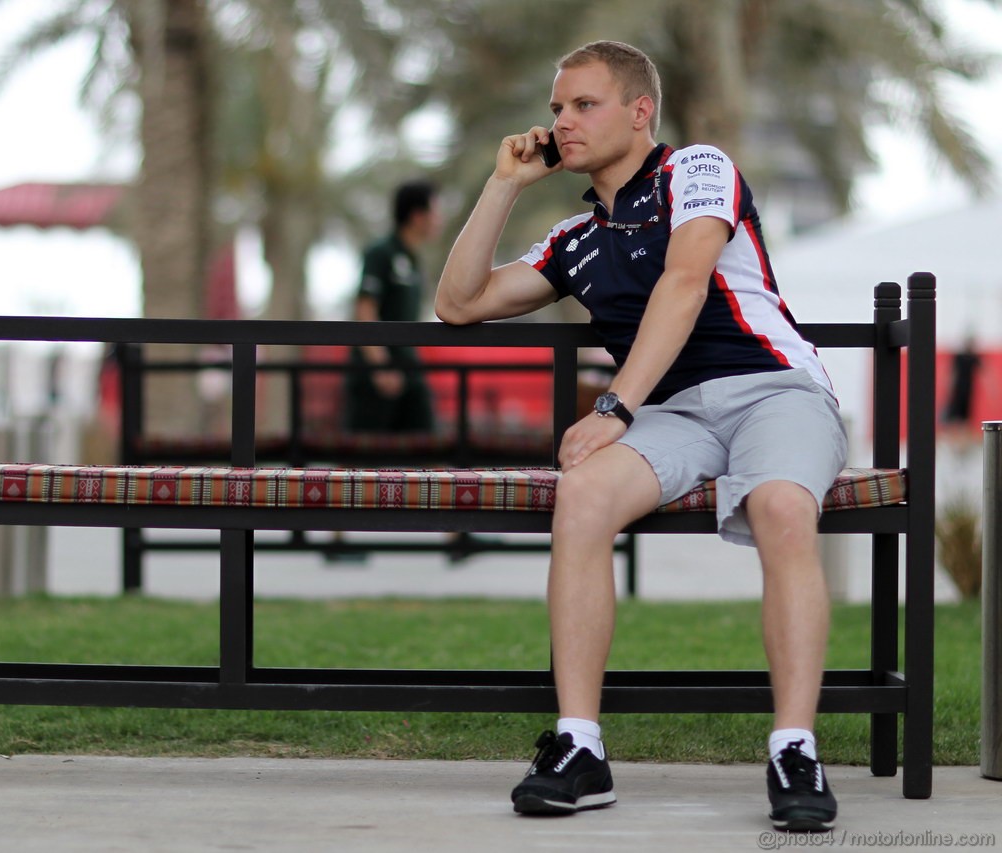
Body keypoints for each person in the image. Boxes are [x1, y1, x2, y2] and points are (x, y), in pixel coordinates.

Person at [434, 41, 846, 832]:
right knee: (582, 495)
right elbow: (460, 303)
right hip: (675, 412)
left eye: (583, 105)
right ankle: (580, 746)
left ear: (639, 110)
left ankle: (794, 748)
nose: (563, 121)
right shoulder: (574, 238)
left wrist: (615, 407)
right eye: (558, 109)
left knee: (782, 509)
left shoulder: (694, 168)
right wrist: (503, 183)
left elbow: (686, 280)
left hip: (773, 391)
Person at [344, 180, 442, 433]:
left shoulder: (414, 259)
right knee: (367, 462)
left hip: (409, 370)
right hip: (375, 376)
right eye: (434, 211)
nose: (438, 219)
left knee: (428, 450)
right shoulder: (381, 253)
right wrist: (381, 367)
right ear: (417, 216)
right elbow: (365, 309)